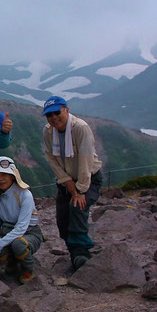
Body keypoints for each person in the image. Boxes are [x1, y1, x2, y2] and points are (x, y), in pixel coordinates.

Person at [42, 96, 103, 270]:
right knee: (62, 220)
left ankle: (81, 255)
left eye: (57, 113)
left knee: (77, 208)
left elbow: (86, 160)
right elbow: (51, 158)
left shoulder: (80, 128)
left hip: (88, 178)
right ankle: (74, 251)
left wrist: (80, 190)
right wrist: (67, 182)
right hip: (65, 180)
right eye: (49, 115)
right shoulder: (48, 131)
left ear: (66, 110)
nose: (54, 118)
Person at [0, 156, 43, 284]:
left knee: (18, 244)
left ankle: (28, 269)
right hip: (7, 230)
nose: (0, 179)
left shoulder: (24, 194)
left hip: (30, 232)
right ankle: (11, 264)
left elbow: (21, 228)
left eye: (5, 174)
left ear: (13, 176)